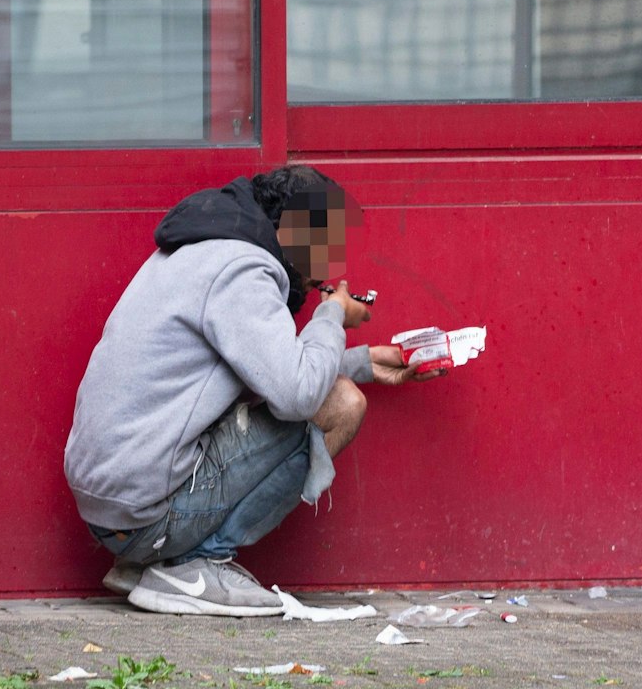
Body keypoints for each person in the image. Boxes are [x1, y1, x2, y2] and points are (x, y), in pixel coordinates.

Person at [64, 165, 441, 616]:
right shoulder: (244, 270)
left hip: (118, 512)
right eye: (325, 246)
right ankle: (192, 563)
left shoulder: (204, 250)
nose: (329, 267)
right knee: (341, 404)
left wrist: (367, 362)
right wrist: (331, 315)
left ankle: (150, 562)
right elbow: (297, 395)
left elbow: (262, 366)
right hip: (147, 512)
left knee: (333, 389)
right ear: (295, 233)